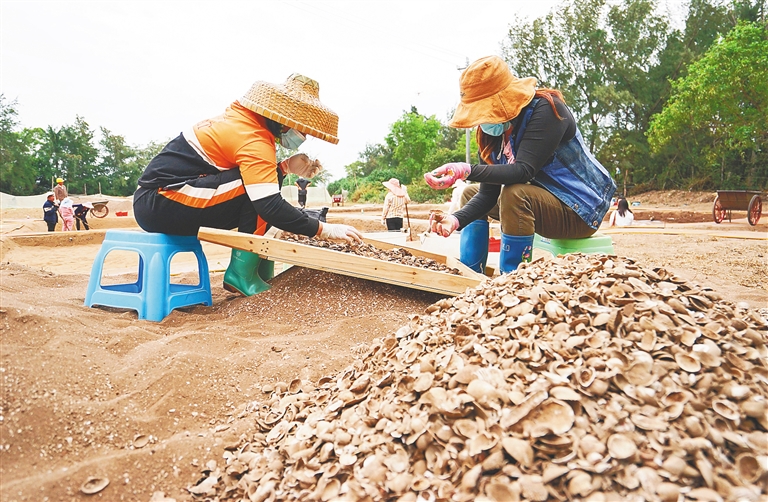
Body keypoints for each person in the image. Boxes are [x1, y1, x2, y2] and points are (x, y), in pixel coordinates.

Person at [132, 73, 362, 296]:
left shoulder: (240, 119)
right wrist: (325, 230)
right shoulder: (254, 138)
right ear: (284, 121)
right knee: (262, 197)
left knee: (262, 189)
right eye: (302, 129)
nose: (303, 136)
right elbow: (269, 205)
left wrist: (284, 168)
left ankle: (259, 270)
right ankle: (241, 273)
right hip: (162, 201)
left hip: (160, 200)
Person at [424, 55, 616, 274]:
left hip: (579, 209)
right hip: (541, 203)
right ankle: (470, 274)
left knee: (515, 194)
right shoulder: (490, 134)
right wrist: (454, 220)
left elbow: (524, 170)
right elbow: (487, 195)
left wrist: (466, 170)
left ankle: (512, 281)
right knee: (470, 192)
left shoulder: (548, 110)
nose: (480, 121)